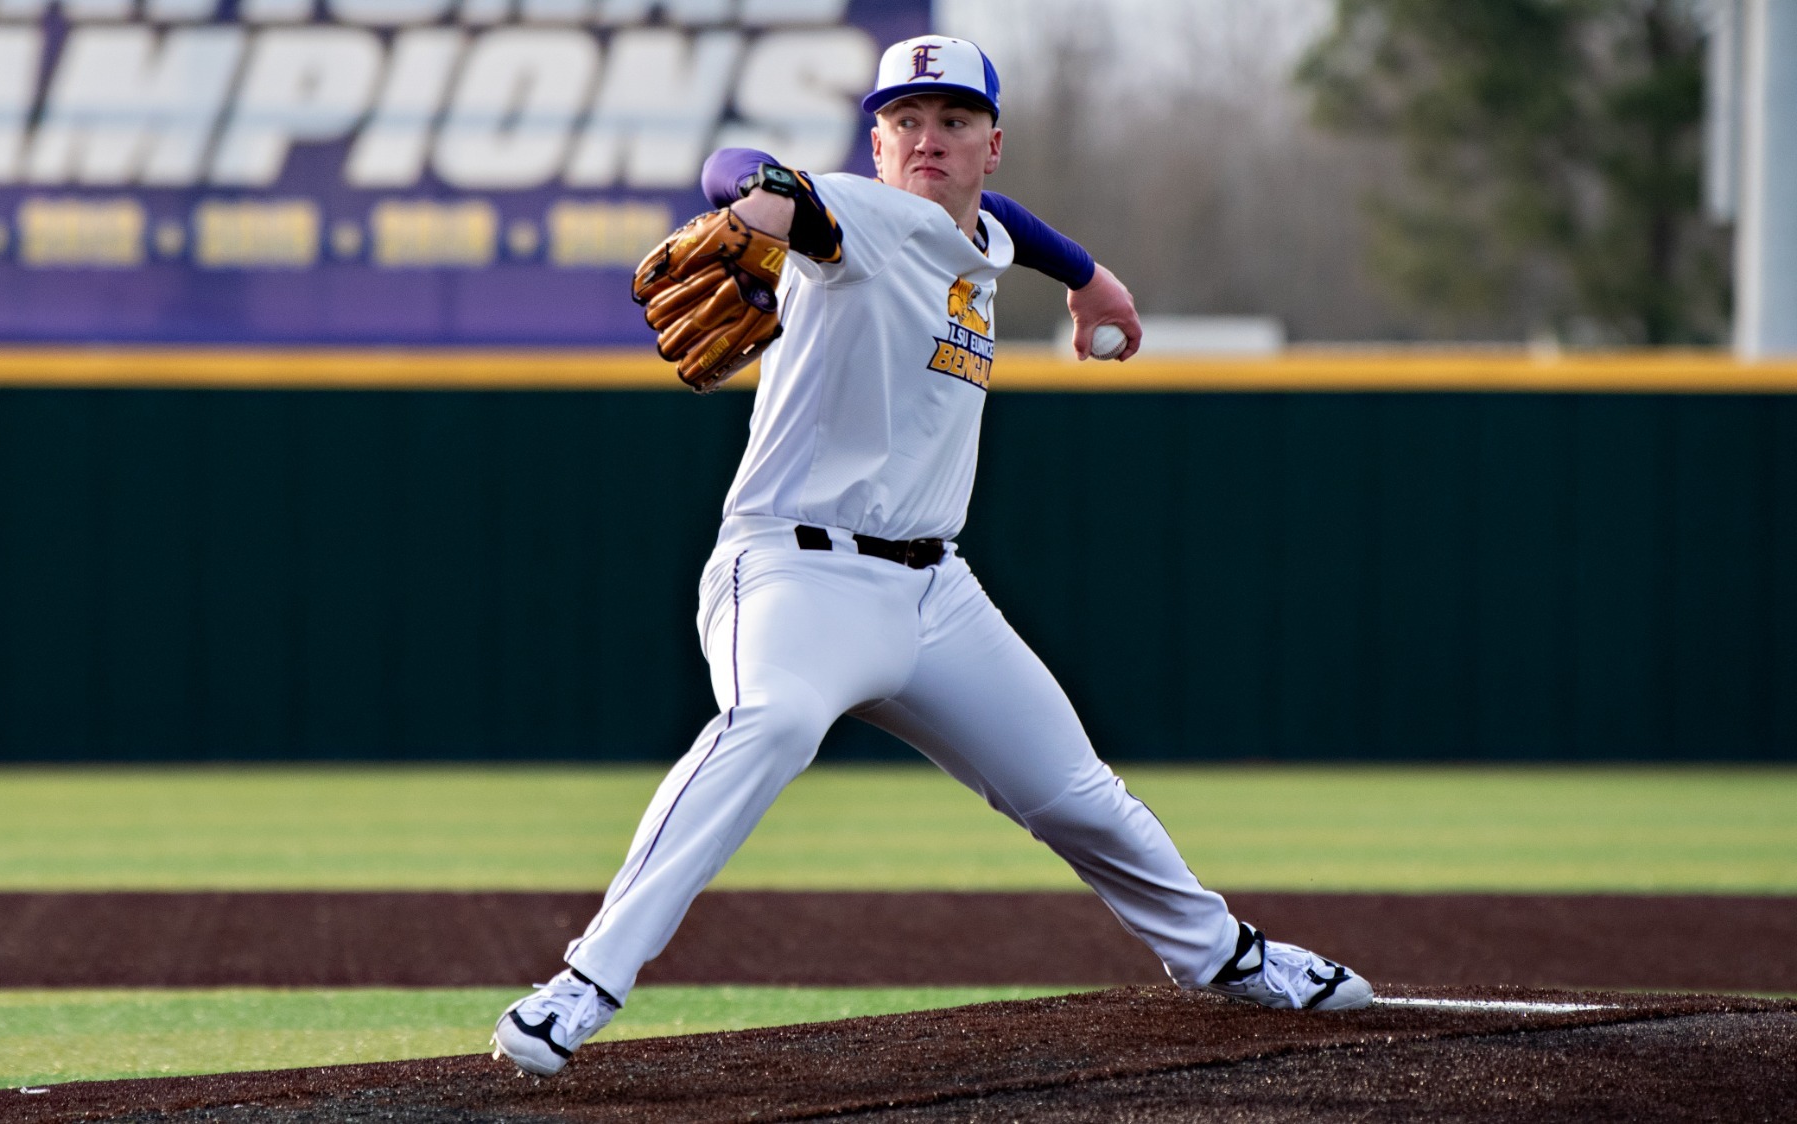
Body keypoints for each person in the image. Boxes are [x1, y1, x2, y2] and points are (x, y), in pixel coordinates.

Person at [491, 34, 1372, 1079]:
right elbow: (735, 173)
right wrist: (760, 204)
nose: (927, 138)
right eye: (904, 120)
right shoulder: (854, 215)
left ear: (990, 145)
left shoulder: (982, 237)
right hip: (794, 570)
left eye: (952, 121)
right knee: (766, 723)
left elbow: (1011, 236)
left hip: (933, 592)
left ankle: (1228, 957)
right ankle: (584, 981)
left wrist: (1093, 280)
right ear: (875, 143)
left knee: (1074, 790)